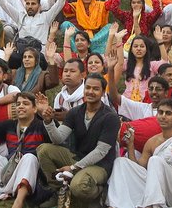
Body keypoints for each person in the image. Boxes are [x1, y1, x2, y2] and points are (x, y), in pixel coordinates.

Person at [107, 98, 172, 208]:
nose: (163, 116)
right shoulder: (152, 141)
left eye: (168, 113)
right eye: (160, 112)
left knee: (155, 160)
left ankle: (153, 205)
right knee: (121, 162)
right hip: (157, 189)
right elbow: (138, 168)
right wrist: (130, 145)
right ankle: (116, 204)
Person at [38, 73, 121, 205]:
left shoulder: (110, 117)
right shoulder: (75, 112)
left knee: (79, 186)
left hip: (100, 165)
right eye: (87, 88)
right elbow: (58, 139)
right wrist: (48, 122)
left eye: (95, 89)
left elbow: (101, 151)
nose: (90, 92)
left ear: (103, 92)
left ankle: (99, 194)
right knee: (44, 150)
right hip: (78, 157)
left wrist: (73, 168)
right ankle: (60, 191)